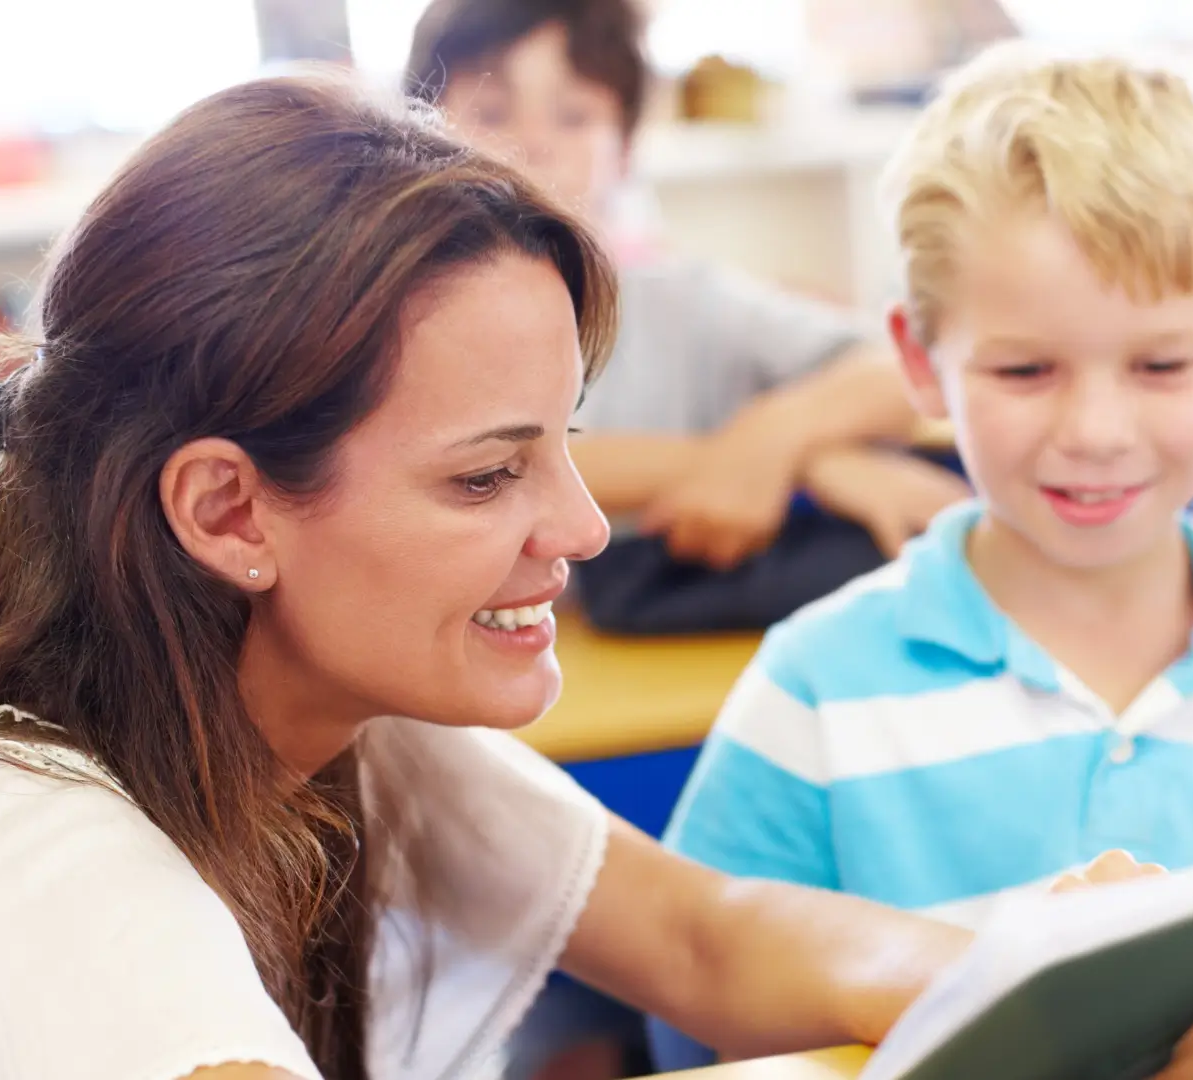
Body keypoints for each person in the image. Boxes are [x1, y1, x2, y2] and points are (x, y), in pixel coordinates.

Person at [0, 69, 1000, 1080]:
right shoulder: (42, 850)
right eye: (488, 476)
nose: (586, 529)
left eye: (565, 445)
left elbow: (701, 939)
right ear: (226, 510)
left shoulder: (344, 722)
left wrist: (1042, 971)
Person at [653, 40, 1193, 1069]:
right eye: (1026, 368)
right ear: (918, 360)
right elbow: (697, 1020)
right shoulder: (815, 686)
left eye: (1160, 363)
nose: (1094, 429)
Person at [405, 0, 972, 635]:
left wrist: (776, 434)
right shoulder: (402, 317)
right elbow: (492, 468)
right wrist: (803, 465)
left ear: (625, 150)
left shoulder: (676, 298)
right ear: (417, 137)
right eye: (491, 112)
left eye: (574, 116)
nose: (533, 143)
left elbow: (897, 373)